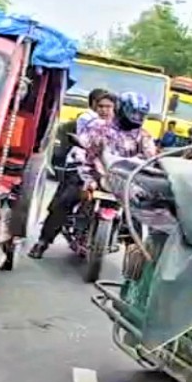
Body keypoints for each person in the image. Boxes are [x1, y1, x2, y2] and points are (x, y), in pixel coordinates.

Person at [28, 91, 157, 259]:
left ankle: (136, 261)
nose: (135, 117)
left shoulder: (144, 136)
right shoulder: (98, 127)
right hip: (92, 174)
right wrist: (82, 162)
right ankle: (43, 242)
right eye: (132, 112)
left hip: (125, 181)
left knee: (137, 214)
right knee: (65, 201)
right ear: (121, 110)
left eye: (139, 114)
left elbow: (150, 158)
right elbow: (82, 147)